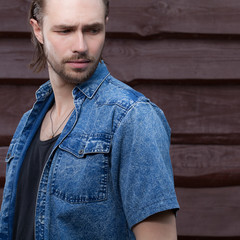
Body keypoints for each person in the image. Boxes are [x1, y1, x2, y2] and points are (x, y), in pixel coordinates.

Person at [0, 0, 179, 239]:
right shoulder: (28, 123)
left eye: (92, 30)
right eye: (65, 30)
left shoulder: (132, 117)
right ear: (38, 30)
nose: (81, 46)